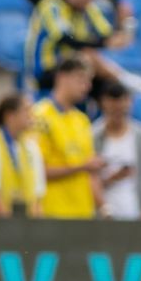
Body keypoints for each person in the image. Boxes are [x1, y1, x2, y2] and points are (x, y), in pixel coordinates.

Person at [33, 58, 103, 219]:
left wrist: (103, 206)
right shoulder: (40, 117)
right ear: (61, 77)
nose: (87, 86)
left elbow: (90, 172)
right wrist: (81, 167)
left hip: (83, 214)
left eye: (89, 81)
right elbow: (37, 171)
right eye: (81, 78)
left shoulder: (82, 120)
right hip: (52, 213)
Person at [25, 0, 117, 92]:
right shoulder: (51, 5)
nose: (89, 1)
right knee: (88, 58)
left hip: (74, 65)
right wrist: (100, 43)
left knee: (104, 82)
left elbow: (107, 34)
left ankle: (122, 84)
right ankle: (126, 81)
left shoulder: (87, 8)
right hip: (46, 69)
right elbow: (65, 38)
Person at [92, 81, 141, 221]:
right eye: (113, 110)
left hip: (138, 217)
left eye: (122, 110)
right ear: (103, 104)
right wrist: (112, 179)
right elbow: (85, 181)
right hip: (100, 220)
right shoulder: (92, 137)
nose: (118, 114)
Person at [0, 91, 45, 216]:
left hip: (25, 224)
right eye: (26, 111)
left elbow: (37, 196)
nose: (31, 116)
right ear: (10, 116)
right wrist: (10, 224)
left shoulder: (32, 148)